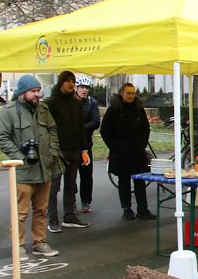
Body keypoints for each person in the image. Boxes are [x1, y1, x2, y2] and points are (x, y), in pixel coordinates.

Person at [0, 75, 60, 258]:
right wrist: (19, 157)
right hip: (24, 171)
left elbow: (53, 129)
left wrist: (53, 151)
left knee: (41, 209)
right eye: (33, 91)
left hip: (44, 168)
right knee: (20, 212)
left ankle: (40, 242)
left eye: (38, 91)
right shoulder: (9, 112)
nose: (37, 94)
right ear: (22, 92)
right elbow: (1, 138)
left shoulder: (43, 109)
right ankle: (19, 245)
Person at [100, 83, 156, 221]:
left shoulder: (139, 109)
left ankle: (143, 209)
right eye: (128, 93)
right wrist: (115, 148)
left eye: (133, 93)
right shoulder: (113, 110)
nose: (131, 96)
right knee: (123, 181)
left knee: (140, 181)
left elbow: (146, 128)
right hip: (120, 152)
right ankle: (127, 209)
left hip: (137, 151)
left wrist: (142, 144)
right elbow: (105, 131)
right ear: (121, 93)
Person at [46, 70, 90, 232]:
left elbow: (80, 127)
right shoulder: (51, 102)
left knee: (71, 184)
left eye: (73, 81)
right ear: (61, 82)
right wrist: (52, 148)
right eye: (67, 81)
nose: (71, 84)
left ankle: (69, 216)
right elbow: (47, 128)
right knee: (54, 186)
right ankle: (53, 219)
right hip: (58, 150)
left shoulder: (77, 103)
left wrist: (84, 148)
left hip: (74, 149)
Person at [75, 75, 100, 213]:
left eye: (87, 88)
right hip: (71, 146)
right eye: (82, 87)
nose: (84, 90)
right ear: (76, 88)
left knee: (86, 174)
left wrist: (80, 129)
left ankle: (86, 201)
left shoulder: (92, 103)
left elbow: (96, 121)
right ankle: (71, 201)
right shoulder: (70, 102)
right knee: (70, 176)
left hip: (86, 145)